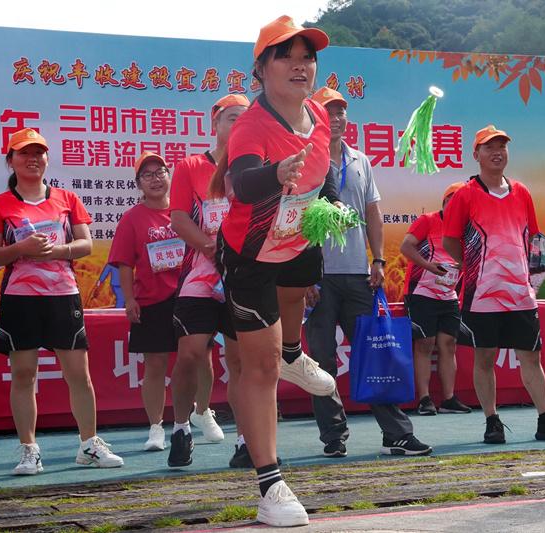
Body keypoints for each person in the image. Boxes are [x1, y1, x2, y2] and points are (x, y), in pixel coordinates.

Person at [211, 16, 337, 527]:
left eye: (307, 57)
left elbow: (324, 172)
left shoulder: (319, 114)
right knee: (258, 369)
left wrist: (331, 203)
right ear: (261, 70)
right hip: (250, 256)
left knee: (305, 274)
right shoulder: (252, 124)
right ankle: (270, 484)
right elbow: (242, 183)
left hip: (296, 244)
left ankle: (292, 352)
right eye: (286, 56)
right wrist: (276, 173)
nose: (300, 65)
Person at [0, 128, 123, 474]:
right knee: (23, 374)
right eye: (24, 153)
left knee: (79, 374)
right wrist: (22, 248)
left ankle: (89, 445)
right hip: (20, 298)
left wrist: (55, 251)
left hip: (63, 295)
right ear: (11, 161)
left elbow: (86, 245)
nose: (32, 159)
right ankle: (29, 450)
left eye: (38, 153)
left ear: (47, 158)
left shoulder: (67, 198)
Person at [305, 86, 433, 457]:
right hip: (318, 278)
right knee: (322, 361)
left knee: (373, 353)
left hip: (358, 274)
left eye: (341, 112)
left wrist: (377, 259)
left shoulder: (360, 160)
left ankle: (396, 433)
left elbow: (373, 213)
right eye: (329, 112)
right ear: (314, 118)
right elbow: (295, 219)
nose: (336, 118)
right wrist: (304, 277)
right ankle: (333, 435)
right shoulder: (306, 160)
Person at [443, 125, 545, 445]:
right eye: (489, 147)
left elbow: (530, 235)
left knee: (531, 356)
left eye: (502, 146)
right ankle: (492, 421)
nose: (497, 152)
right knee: (484, 357)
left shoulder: (522, 192)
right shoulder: (465, 195)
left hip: (520, 293)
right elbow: (451, 240)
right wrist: (473, 265)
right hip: (482, 294)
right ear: (476, 154)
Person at [167, 95, 250, 468]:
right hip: (200, 276)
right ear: (215, 124)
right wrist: (209, 247)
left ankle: (246, 441)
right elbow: (179, 218)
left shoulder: (257, 169)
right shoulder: (191, 166)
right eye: (231, 118)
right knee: (190, 353)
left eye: (245, 118)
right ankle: (181, 428)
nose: (238, 124)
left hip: (243, 278)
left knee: (240, 361)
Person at [108, 152, 182, 451]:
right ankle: (156, 427)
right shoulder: (132, 218)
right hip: (151, 299)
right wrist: (129, 299)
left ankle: (193, 417)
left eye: (160, 172)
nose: (155, 179)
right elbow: (125, 263)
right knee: (155, 365)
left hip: (189, 295)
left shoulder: (184, 210)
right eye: (147, 175)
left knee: (194, 359)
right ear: (139, 183)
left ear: (169, 175)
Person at [401, 182, 471, 416]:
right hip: (421, 292)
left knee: (448, 344)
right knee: (425, 343)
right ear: (445, 201)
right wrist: (429, 266)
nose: (456, 206)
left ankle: (449, 399)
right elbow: (406, 247)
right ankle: (424, 399)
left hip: (448, 294)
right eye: (453, 201)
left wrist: (462, 267)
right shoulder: (428, 220)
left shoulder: (466, 229)